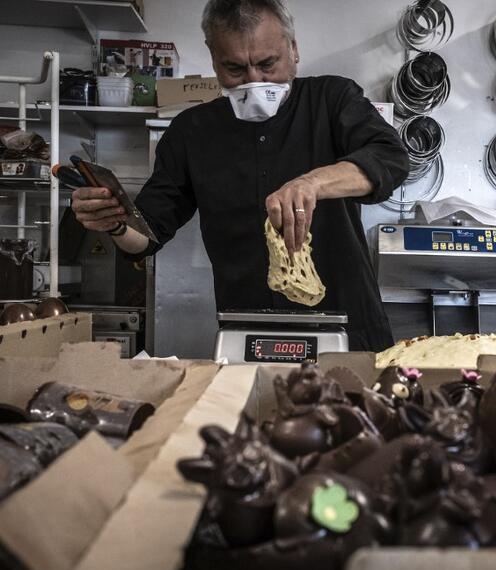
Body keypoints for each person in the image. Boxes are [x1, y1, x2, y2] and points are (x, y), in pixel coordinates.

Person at [70, 0, 409, 352]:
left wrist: (313, 183)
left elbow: (391, 158)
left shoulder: (332, 99)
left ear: (293, 50)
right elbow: (148, 235)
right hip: (248, 331)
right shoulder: (192, 132)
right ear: (214, 58)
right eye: (234, 68)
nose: (254, 81)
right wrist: (115, 221)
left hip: (348, 326)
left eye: (267, 64)